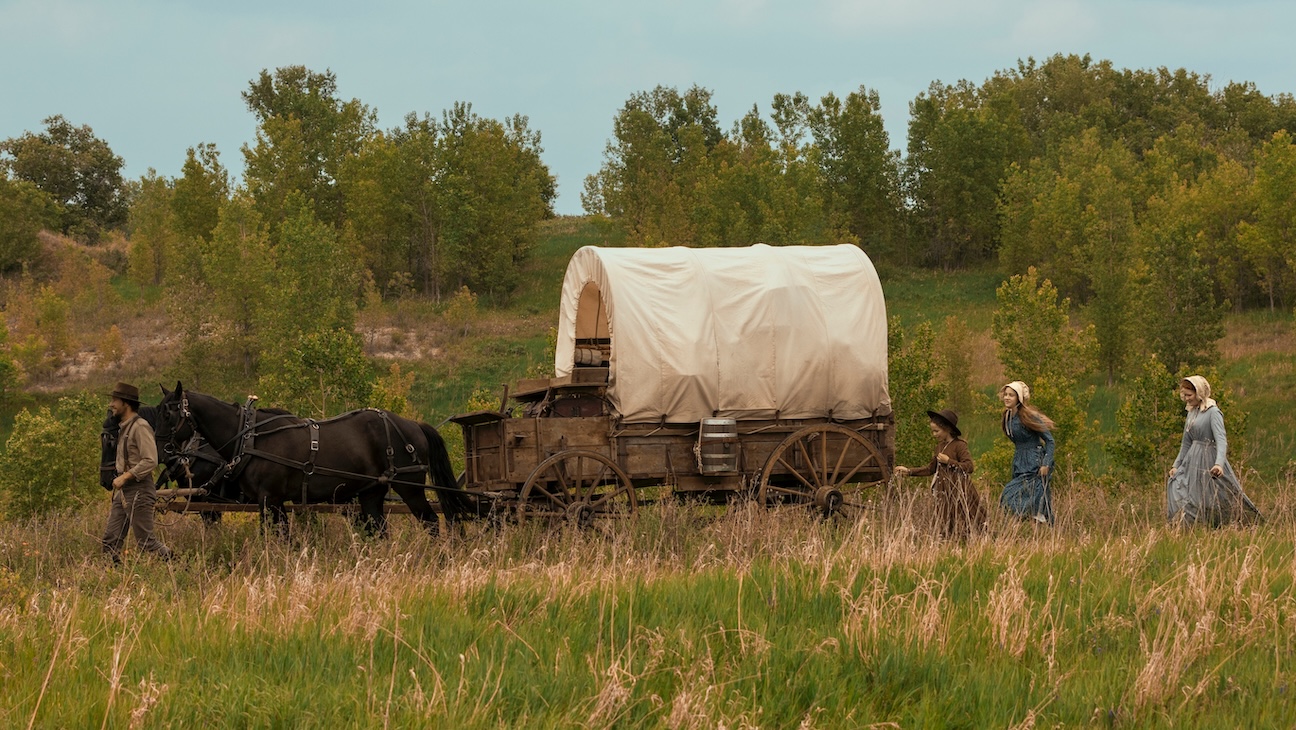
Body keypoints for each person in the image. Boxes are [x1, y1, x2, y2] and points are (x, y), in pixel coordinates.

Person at [1166, 376, 1261, 526]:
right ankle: (1191, 526)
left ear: (1199, 393)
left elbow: (1221, 440)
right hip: (1192, 460)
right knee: (1182, 488)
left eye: (1189, 395)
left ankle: (1238, 523)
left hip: (1208, 458)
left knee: (1216, 494)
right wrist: (1176, 465)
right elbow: (1186, 442)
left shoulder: (1213, 412)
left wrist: (1219, 464)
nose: (1186, 399)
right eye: (1184, 395)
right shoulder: (1191, 412)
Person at [101, 382, 172, 561]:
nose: (111, 404)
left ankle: (179, 567)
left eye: (115, 400)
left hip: (139, 489)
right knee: (110, 540)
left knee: (147, 543)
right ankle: (111, 574)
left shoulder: (140, 427)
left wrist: (125, 476)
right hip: (125, 491)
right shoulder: (124, 427)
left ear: (126, 403)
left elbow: (150, 460)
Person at [894, 409, 985, 540]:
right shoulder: (939, 447)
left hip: (960, 490)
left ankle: (974, 542)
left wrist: (949, 461)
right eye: (933, 431)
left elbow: (969, 466)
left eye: (937, 431)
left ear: (947, 429)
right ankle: (950, 543)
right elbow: (930, 469)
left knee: (968, 519)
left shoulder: (959, 445)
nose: (934, 434)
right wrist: (909, 471)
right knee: (946, 521)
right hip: (944, 491)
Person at [998, 381, 1056, 525]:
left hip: (1034, 462)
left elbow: (1050, 441)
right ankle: (1030, 525)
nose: (1007, 397)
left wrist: (1046, 463)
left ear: (1018, 398)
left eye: (1011, 395)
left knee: (1024, 496)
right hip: (1019, 461)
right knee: (1014, 496)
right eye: (1005, 394)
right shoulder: (1007, 417)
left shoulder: (1028, 416)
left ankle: (1040, 525)